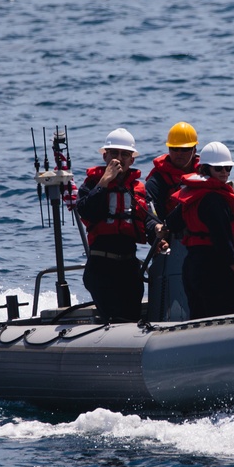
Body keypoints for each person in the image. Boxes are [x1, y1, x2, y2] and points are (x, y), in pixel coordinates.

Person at [76, 127, 163, 323]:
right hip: (101, 267)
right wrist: (104, 182)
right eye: (114, 153)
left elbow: (147, 218)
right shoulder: (91, 184)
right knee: (113, 318)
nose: (119, 158)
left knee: (131, 317)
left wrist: (157, 231)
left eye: (125, 154)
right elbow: (85, 210)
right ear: (105, 156)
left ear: (132, 160)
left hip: (129, 268)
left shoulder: (138, 189)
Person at [164, 142, 234, 319]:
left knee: (199, 317)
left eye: (228, 168)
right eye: (219, 169)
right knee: (223, 317)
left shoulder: (192, 194)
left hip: (192, 267)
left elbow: (172, 223)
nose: (224, 173)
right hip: (214, 268)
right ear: (205, 169)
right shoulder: (215, 200)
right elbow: (222, 239)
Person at [145, 121, 200, 219]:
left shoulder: (205, 173)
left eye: (185, 149)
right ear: (169, 149)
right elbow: (150, 216)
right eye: (174, 148)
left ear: (194, 151)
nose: (179, 153)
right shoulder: (157, 180)